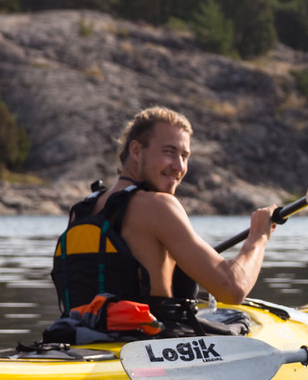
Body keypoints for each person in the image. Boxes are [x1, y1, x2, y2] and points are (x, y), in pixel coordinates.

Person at [51, 106, 277, 335]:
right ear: (137, 151)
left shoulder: (83, 209)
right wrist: (258, 238)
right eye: (169, 152)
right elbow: (232, 289)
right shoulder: (158, 205)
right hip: (150, 345)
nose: (179, 167)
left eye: (185, 156)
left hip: (81, 336)